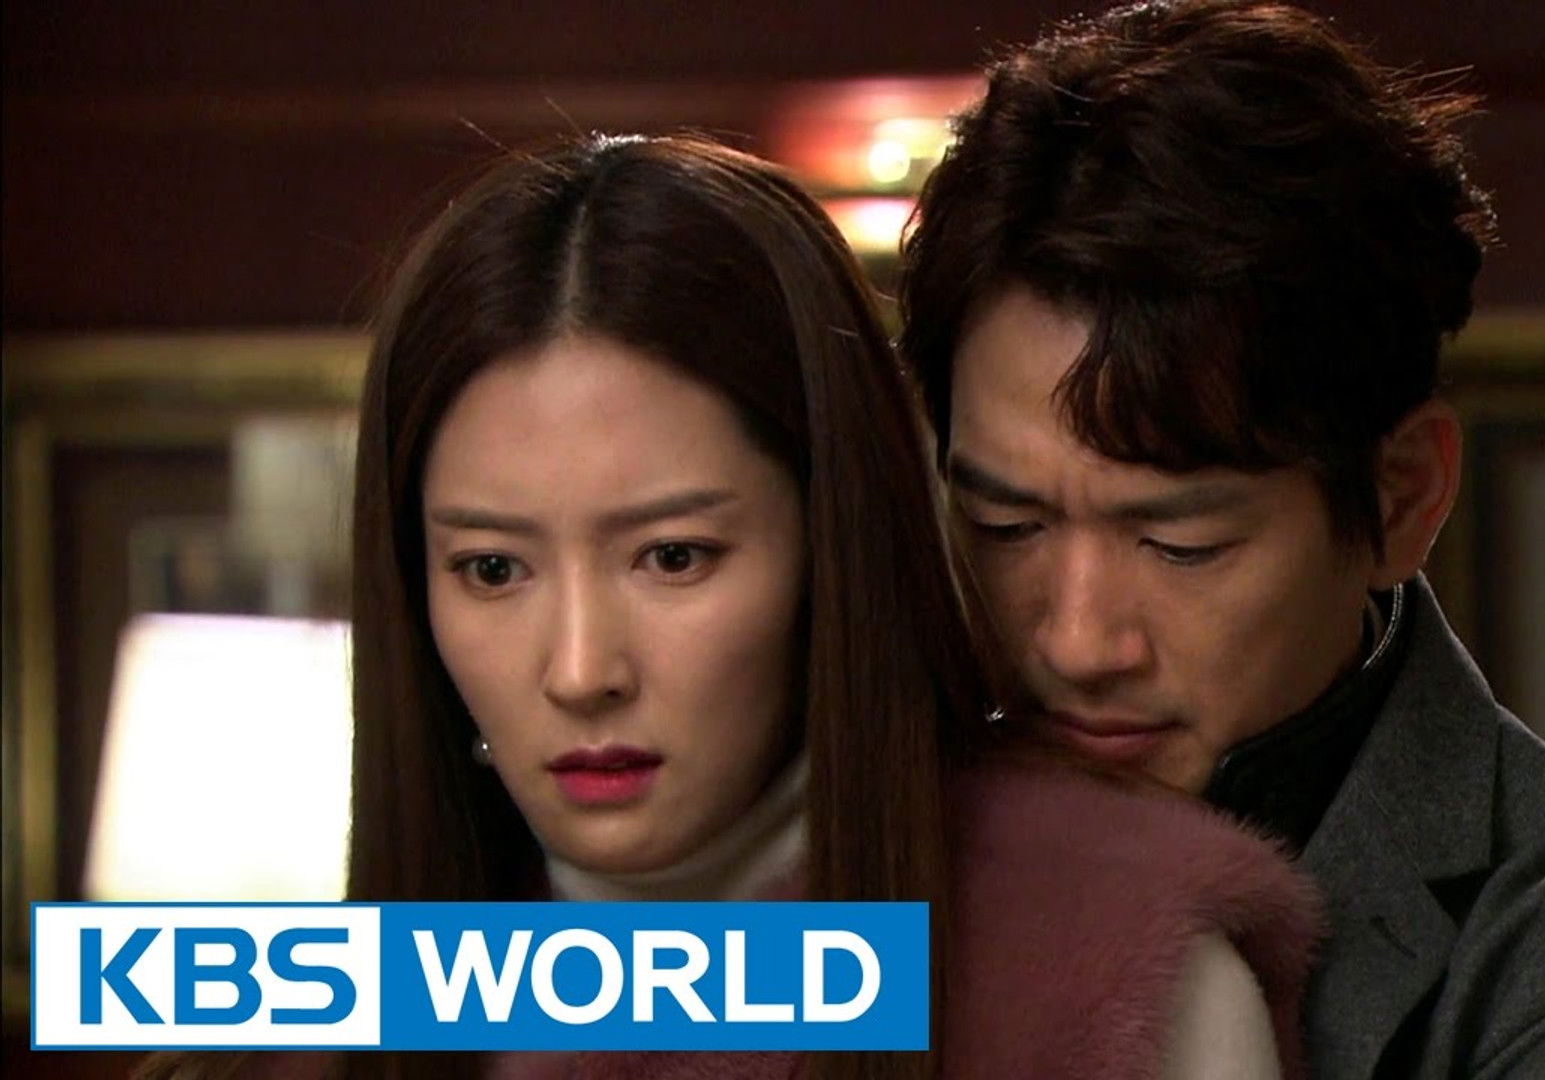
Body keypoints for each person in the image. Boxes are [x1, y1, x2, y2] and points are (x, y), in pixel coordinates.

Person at [140, 133, 1320, 1080]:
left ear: (830, 546)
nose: (581, 670)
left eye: (673, 557)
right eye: (493, 570)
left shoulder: (1109, 967)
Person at [896, 2, 1545, 1076]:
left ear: (1403, 498)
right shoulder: (863, 839)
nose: (1077, 641)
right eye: (1005, 525)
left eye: (1181, 543)